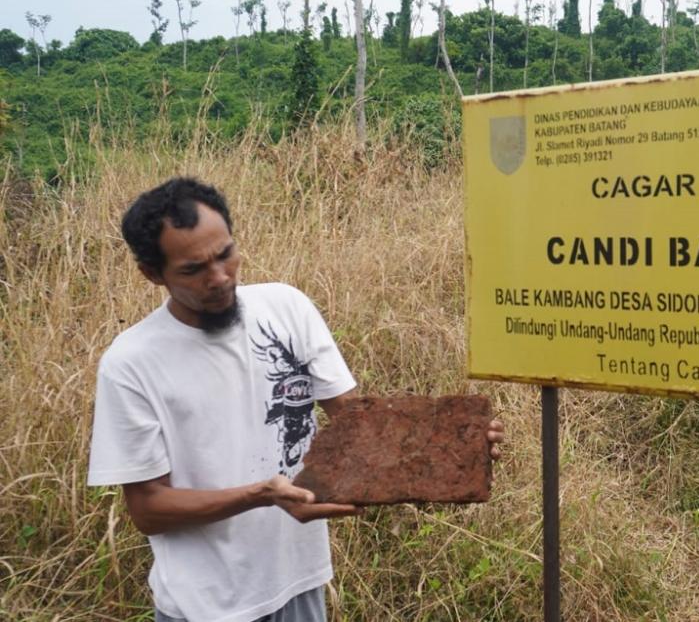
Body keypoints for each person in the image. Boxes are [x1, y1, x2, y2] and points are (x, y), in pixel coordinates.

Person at [87, 177, 504, 622]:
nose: (219, 277)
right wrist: (262, 494)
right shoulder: (131, 362)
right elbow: (149, 509)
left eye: (226, 254)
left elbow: (357, 426)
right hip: (204, 604)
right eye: (193, 270)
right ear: (152, 274)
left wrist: (457, 444)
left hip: (299, 585)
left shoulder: (286, 309)